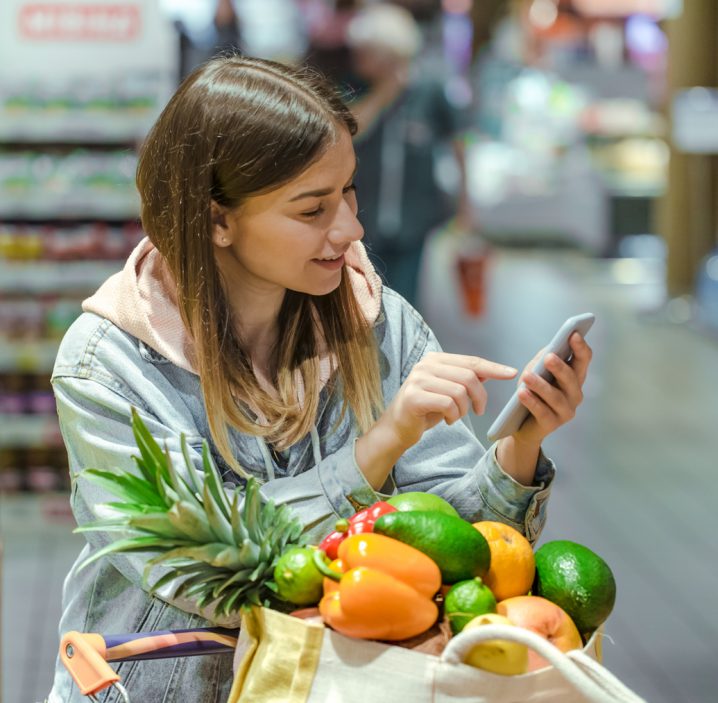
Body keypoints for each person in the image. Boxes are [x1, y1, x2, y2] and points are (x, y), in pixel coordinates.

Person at [47, 55, 592, 702]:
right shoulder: (110, 364)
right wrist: (377, 448)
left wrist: (519, 446)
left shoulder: (378, 322)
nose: (350, 229)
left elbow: (452, 556)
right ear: (217, 219)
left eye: (348, 193)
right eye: (312, 209)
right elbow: (200, 572)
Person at [347, 4, 475, 307]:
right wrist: (384, 93)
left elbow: (458, 142)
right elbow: (351, 131)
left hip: (415, 215)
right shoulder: (355, 87)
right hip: (365, 213)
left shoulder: (429, 90)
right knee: (363, 297)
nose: (359, 59)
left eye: (368, 52)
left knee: (405, 298)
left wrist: (465, 202)